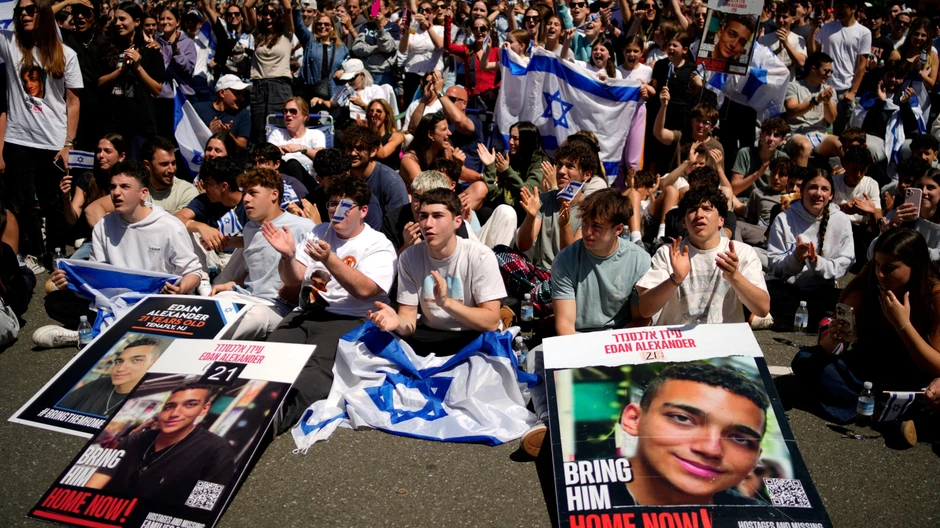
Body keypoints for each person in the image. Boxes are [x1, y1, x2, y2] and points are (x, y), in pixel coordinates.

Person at [521, 188, 652, 456]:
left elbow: (641, 320)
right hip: (578, 337)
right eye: (586, 224)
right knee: (536, 356)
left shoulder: (639, 260)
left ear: (618, 230)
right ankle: (547, 420)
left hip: (619, 339)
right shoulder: (567, 260)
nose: (588, 233)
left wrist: (609, 350)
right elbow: (565, 326)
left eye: (597, 227)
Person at [264, 176, 397, 433]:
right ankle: (245, 406)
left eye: (345, 205)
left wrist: (329, 259)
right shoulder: (318, 231)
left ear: (363, 211)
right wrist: (287, 255)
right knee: (270, 359)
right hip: (307, 312)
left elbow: (365, 290)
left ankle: (274, 420)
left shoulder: (378, 244)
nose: (336, 211)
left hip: (350, 318)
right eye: (332, 204)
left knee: (316, 371)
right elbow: (293, 278)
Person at [34, 160, 202, 347]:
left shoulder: (169, 226)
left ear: (143, 193)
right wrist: (70, 282)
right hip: (115, 301)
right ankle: (112, 331)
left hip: (158, 304)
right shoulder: (103, 226)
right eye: (113, 187)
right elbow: (97, 274)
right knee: (55, 302)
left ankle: (87, 333)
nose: (116, 192)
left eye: (125, 187)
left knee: (173, 314)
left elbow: (193, 272)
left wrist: (181, 288)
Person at [794, 228, 940, 423]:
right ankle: (883, 413)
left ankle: (879, 410)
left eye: (890, 268)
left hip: (911, 376)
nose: (880, 274)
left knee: (932, 395)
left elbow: (936, 368)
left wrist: (902, 324)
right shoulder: (866, 285)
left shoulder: (934, 295)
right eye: (877, 264)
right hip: (866, 371)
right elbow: (833, 349)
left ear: (915, 266)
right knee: (805, 359)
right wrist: (832, 339)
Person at [367, 188, 506, 357]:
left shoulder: (480, 256)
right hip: (429, 337)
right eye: (423, 216)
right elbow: (408, 320)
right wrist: (396, 323)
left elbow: (491, 321)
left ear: (457, 221)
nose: (428, 224)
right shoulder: (409, 257)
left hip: (474, 336)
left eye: (438, 216)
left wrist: (446, 303)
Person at [1, 0, 83, 273]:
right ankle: (35, 251)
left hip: (53, 139)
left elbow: (73, 102)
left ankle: (56, 249)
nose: (23, 14)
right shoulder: (11, 45)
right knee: (24, 200)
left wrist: (68, 143)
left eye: (30, 9)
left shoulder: (66, 54)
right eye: (19, 10)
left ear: (43, 13)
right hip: (18, 139)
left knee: (54, 200)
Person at [616, 363, 768, 506]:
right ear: (634, 419)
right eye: (682, 419)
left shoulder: (766, 517)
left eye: (739, 439)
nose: (711, 449)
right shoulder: (593, 490)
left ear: (756, 458)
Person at [637, 186, 769, 325]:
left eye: (707, 209)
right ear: (684, 222)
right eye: (693, 210)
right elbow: (645, 310)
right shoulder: (668, 253)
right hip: (678, 341)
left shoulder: (742, 252)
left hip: (724, 341)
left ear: (721, 220)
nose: (699, 214)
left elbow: (762, 309)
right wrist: (675, 279)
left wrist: (735, 276)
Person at [86, 383, 236, 505]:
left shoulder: (218, 449)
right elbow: (102, 475)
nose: (175, 413)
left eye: (190, 405)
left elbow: (202, 505)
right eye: (170, 406)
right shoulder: (135, 439)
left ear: (204, 408)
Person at [211, 168, 315, 340]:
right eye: (244, 193)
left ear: (274, 195)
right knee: (215, 305)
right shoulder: (250, 229)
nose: (246, 199)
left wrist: (296, 286)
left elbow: (318, 271)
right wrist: (230, 284)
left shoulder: (304, 227)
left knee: (255, 317)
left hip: (280, 307)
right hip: (248, 297)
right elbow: (257, 274)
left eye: (253, 193)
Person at [767, 169, 854, 331]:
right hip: (789, 290)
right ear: (802, 190)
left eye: (824, 189)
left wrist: (816, 262)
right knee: (767, 290)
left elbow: (845, 262)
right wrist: (796, 259)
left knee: (848, 299)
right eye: (813, 187)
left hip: (822, 290)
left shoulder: (841, 220)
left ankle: (785, 320)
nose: (818, 194)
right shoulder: (784, 219)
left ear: (831, 194)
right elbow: (774, 266)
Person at [97, 2, 165, 154]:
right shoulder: (106, 48)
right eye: (115, 19)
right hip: (112, 124)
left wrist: (138, 68)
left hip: (140, 127)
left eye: (122, 19)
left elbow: (156, 90)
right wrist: (121, 70)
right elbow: (100, 83)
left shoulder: (151, 51)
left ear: (137, 21)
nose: (117, 23)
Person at [806, 0, 872, 135]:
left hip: (844, 90)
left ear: (853, 8)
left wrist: (853, 91)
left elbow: (862, 64)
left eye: (843, 7)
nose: (838, 11)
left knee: (841, 132)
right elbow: (814, 54)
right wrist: (813, 30)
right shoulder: (827, 28)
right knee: (817, 127)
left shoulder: (864, 32)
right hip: (823, 86)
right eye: (836, 8)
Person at [61, 133, 127, 261]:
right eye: (98, 151)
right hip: (94, 240)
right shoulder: (88, 179)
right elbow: (72, 219)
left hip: (125, 239)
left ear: (121, 156)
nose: (101, 155)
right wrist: (65, 198)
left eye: (107, 151)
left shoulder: (130, 180)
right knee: (69, 272)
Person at [58, 337, 161, 416]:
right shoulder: (101, 383)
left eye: (136, 360)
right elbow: (61, 408)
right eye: (119, 361)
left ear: (153, 364)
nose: (120, 368)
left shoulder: (152, 401)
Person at [55, 0, 108, 151]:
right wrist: (68, 1)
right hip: (70, 112)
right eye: (76, 12)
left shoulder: (105, 43)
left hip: (99, 115)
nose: (79, 17)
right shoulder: (66, 38)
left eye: (85, 13)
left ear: (95, 16)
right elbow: (42, 17)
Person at [382, 170, 472, 254]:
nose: (420, 205)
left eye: (428, 199)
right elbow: (388, 266)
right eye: (417, 197)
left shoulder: (451, 220)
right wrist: (407, 246)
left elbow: (462, 257)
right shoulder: (393, 220)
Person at [175, 157, 248, 259]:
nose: (204, 187)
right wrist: (202, 227)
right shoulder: (205, 200)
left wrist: (224, 242)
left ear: (224, 186)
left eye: (208, 183)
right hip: (212, 257)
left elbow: (259, 239)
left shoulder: (250, 203)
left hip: (240, 260)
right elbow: (175, 218)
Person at [244, 0, 295, 144]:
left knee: (278, 129)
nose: (268, 17)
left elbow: (288, 8)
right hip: (259, 86)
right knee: (259, 132)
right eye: (265, 14)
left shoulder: (286, 33)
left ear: (278, 17)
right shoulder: (257, 33)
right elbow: (247, 6)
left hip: (280, 86)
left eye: (272, 14)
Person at [341, 124, 410, 231]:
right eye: (349, 148)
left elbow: (396, 225)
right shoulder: (342, 177)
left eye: (360, 148)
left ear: (373, 151)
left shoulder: (391, 182)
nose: (353, 153)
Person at [786, 52, 842, 167]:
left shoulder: (829, 90)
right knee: (805, 146)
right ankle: (799, 181)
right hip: (797, 133)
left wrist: (826, 102)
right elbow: (792, 112)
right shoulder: (794, 86)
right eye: (826, 71)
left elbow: (831, 119)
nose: (829, 75)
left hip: (820, 134)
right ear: (813, 69)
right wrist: (816, 100)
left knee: (840, 144)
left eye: (831, 71)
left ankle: (840, 181)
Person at [479, 121, 548, 211]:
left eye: (515, 138)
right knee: (484, 210)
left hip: (524, 212)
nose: (511, 142)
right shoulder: (510, 158)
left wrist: (507, 171)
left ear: (527, 141)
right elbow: (494, 194)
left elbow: (527, 193)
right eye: (510, 137)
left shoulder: (540, 163)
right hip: (504, 208)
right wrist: (490, 167)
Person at [154, 6, 196, 139]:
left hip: (182, 100)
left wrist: (175, 49)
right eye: (162, 18)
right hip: (161, 100)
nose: (165, 22)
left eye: (169, 18)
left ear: (178, 22)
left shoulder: (188, 43)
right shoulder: (155, 43)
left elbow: (188, 70)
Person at [266, 96, 327, 183]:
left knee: (293, 164)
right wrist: (277, 151)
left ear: (304, 116)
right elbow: (267, 155)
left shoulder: (316, 134)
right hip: (283, 183)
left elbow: (322, 158)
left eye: (293, 111)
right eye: (285, 111)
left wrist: (302, 148)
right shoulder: (277, 133)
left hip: (309, 183)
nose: (288, 114)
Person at [294, 10, 348, 101]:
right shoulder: (310, 41)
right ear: (315, 26)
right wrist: (296, 6)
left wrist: (344, 71)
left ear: (332, 27)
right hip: (310, 93)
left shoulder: (341, 47)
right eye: (319, 24)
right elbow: (298, 25)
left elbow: (350, 64)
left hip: (334, 93)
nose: (323, 26)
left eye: (326, 24)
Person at [310, 58, 389, 120]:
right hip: (346, 125)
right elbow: (332, 104)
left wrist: (361, 104)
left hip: (367, 125)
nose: (349, 82)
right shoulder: (346, 89)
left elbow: (380, 114)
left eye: (351, 79)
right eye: (347, 79)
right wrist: (321, 101)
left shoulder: (375, 90)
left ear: (361, 75)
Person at [730, 117, 790, 197]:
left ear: (782, 140)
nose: (771, 138)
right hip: (746, 200)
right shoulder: (745, 153)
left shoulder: (783, 157)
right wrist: (757, 174)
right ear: (761, 135)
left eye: (776, 135)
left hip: (771, 200)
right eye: (768, 133)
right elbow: (734, 189)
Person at [398, 1, 444, 102]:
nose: (424, 13)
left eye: (428, 11)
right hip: (412, 74)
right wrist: (406, 30)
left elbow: (439, 45)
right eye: (421, 10)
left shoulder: (439, 29)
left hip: (431, 77)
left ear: (434, 14)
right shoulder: (413, 29)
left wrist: (427, 26)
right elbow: (403, 49)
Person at [192, 74, 252, 151]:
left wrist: (227, 135)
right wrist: (208, 132)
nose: (242, 98)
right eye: (237, 93)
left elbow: (242, 146)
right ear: (222, 93)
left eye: (242, 94)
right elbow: (188, 135)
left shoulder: (243, 114)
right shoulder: (198, 109)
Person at [350, 1, 398, 87]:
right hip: (366, 72)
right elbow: (356, 48)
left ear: (386, 10)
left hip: (384, 73)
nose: (375, 11)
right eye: (373, 8)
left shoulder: (393, 27)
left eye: (378, 8)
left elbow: (387, 48)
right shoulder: (365, 26)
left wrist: (380, 28)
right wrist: (375, 48)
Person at [758, 2, 806, 81]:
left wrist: (786, 43)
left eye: (784, 17)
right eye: (778, 16)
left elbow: (801, 62)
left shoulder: (798, 39)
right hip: (767, 84)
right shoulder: (765, 39)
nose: (780, 20)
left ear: (793, 19)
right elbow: (757, 61)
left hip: (787, 86)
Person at [365, 98, 404, 171]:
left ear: (386, 116)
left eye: (378, 111)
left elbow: (382, 154)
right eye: (371, 111)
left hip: (389, 175)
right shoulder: (365, 134)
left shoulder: (397, 136)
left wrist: (374, 130)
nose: (374, 114)